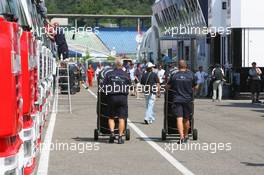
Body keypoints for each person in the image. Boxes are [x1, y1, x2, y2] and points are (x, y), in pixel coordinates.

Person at [167, 59, 197, 144]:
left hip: (177, 99)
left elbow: (167, 87)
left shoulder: (174, 75)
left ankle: (181, 137)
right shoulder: (191, 75)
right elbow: (196, 86)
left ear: (178, 66)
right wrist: (193, 91)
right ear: (186, 66)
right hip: (188, 99)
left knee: (179, 118)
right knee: (186, 119)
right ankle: (186, 135)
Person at [103, 57, 131, 144]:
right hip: (122, 97)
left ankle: (111, 133)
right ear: (122, 65)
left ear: (115, 64)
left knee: (111, 117)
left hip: (112, 97)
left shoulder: (109, 74)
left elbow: (104, 86)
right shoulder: (126, 74)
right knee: (121, 118)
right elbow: (130, 86)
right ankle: (120, 137)